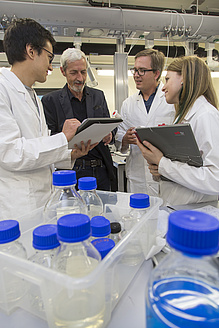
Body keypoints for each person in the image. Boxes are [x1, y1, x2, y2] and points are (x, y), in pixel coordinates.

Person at [0, 18, 95, 219]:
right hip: (18, 207)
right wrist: (63, 138)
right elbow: (11, 153)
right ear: (31, 51)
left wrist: (69, 155)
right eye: (49, 56)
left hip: (43, 200)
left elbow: (38, 150)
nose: (50, 66)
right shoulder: (2, 88)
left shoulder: (32, 95)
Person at [137, 56, 219, 206]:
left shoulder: (206, 115)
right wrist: (160, 171)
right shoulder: (183, 116)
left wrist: (162, 163)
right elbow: (185, 166)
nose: (163, 87)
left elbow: (215, 179)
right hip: (178, 208)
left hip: (195, 214)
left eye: (167, 79)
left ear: (184, 80)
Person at [42, 48, 116, 191]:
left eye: (83, 72)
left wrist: (110, 134)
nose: (80, 78)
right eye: (74, 72)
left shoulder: (98, 96)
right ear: (63, 72)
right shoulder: (51, 100)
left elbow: (110, 126)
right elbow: (49, 140)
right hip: (72, 171)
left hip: (101, 170)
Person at [115, 49, 175, 196]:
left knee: (163, 215)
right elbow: (119, 136)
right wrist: (124, 139)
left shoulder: (172, 101)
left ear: (156, 73)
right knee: (138, 215)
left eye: (142, 71)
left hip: (165, 176)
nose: (136, 75)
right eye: (134, 70)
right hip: (137, 176)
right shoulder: (128, 104)